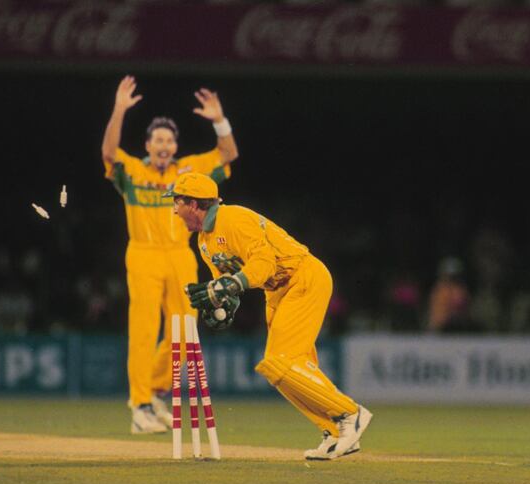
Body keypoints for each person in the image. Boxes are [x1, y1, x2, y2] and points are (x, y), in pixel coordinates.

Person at [164, 172, 372, 460]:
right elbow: (227, 284)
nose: (174, 210)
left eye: (177, 202)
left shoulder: (233, 219)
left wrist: (232, 284)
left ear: (194, 204)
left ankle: (350, 413)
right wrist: (222, 305)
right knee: (281, 371)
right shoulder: (203, 242)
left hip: (302, 277)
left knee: (280, 362)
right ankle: (335, 431)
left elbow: (264, 262)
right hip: (277, 292)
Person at [101, 75, 239, 434]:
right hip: (144, 254)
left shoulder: (187, 172)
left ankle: (156, 390)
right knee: (144, 329)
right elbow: (109, 153)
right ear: (148, 145)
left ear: (175, 145)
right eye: (158, 140)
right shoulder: (133, 171)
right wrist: (119, 110)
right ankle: (140, 405)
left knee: (185, 329)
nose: (164, 145)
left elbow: (228, 154)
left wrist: (219, 120)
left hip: (180, 254)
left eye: (169, 140)